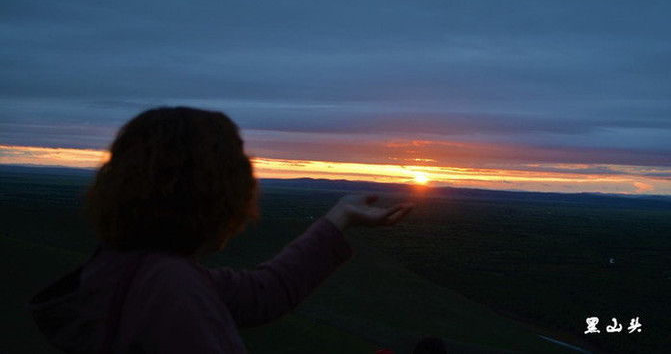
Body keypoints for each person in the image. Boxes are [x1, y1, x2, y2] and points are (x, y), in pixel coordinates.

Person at [28, 107, 413, 353]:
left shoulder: (128, 269)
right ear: (217, 193)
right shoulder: (167, 290)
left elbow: (263, 293)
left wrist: (339, 219)